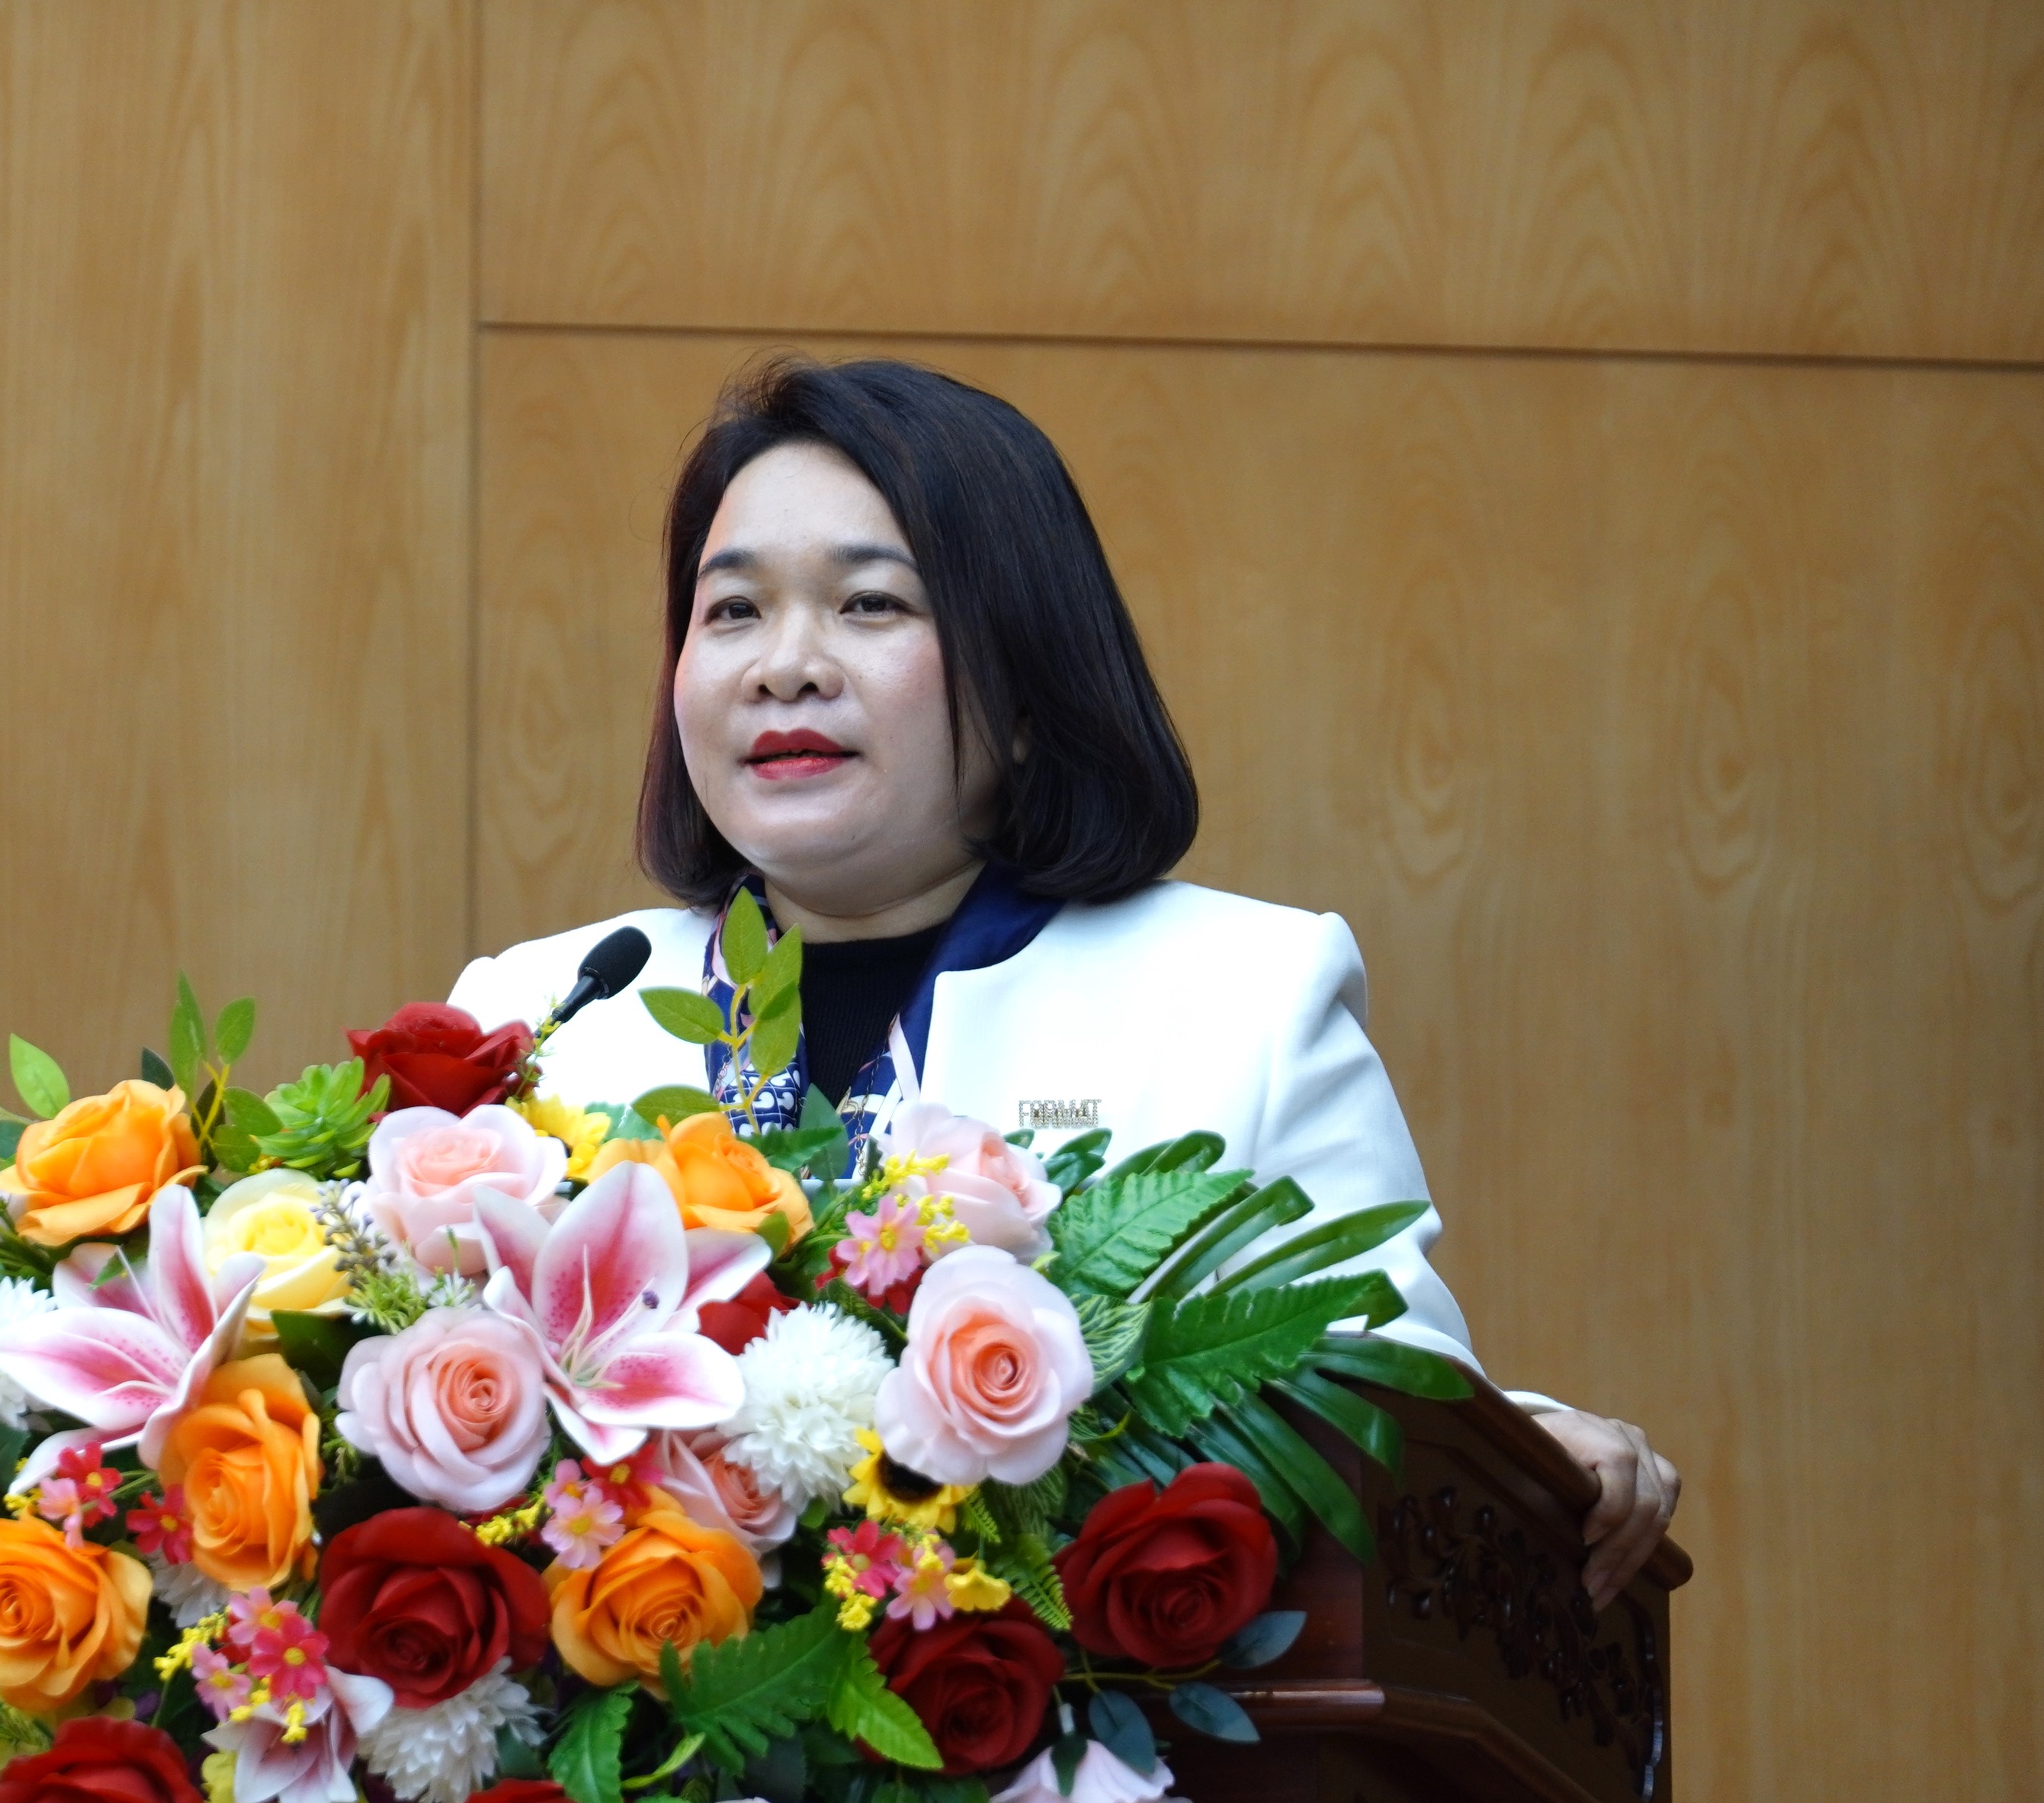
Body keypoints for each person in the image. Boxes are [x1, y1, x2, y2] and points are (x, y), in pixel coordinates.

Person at [449, 357, 1680, 1606]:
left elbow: (1382, 1404)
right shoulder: (545, 1017)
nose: (786, 665)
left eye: (870, 604)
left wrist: (1531, 1452)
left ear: (1028, 679)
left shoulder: (1238, 998)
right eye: (732, 611)